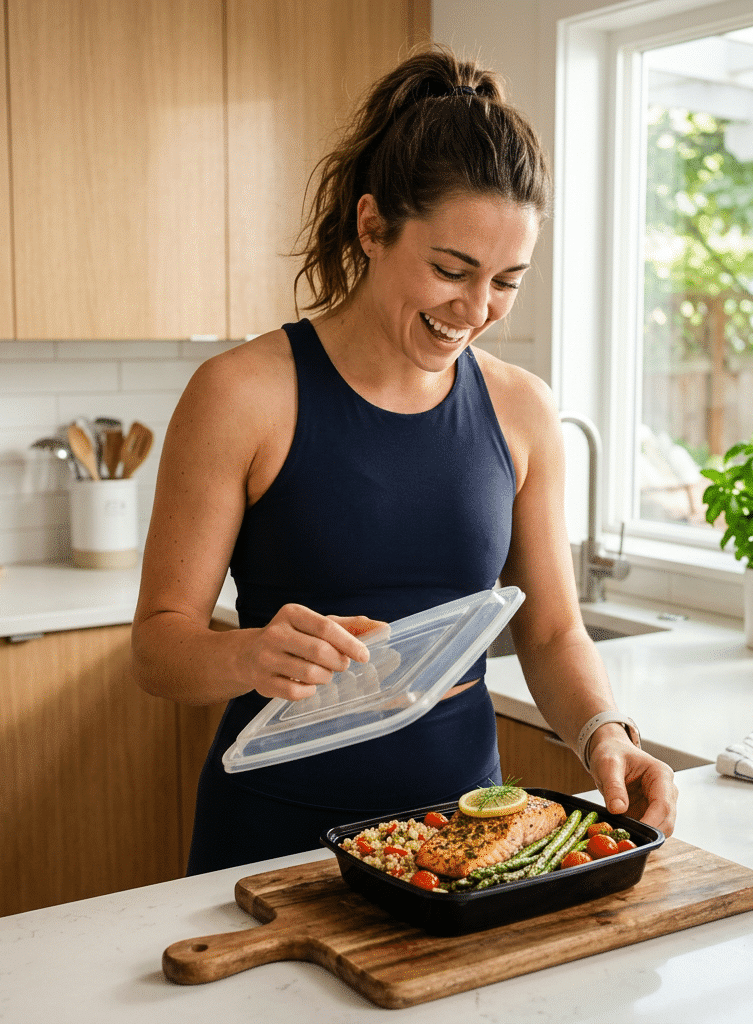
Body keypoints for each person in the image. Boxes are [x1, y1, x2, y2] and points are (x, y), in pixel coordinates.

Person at [132, 45, 678, 874]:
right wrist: (247, 654)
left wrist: (606, 731)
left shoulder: (522, 409)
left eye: (507, 281)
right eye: (451, 270)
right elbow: (158, 647)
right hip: (272, 844)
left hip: (464, 839)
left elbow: (554, 628)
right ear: (372, 225)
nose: (476, 309)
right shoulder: (241, 395)